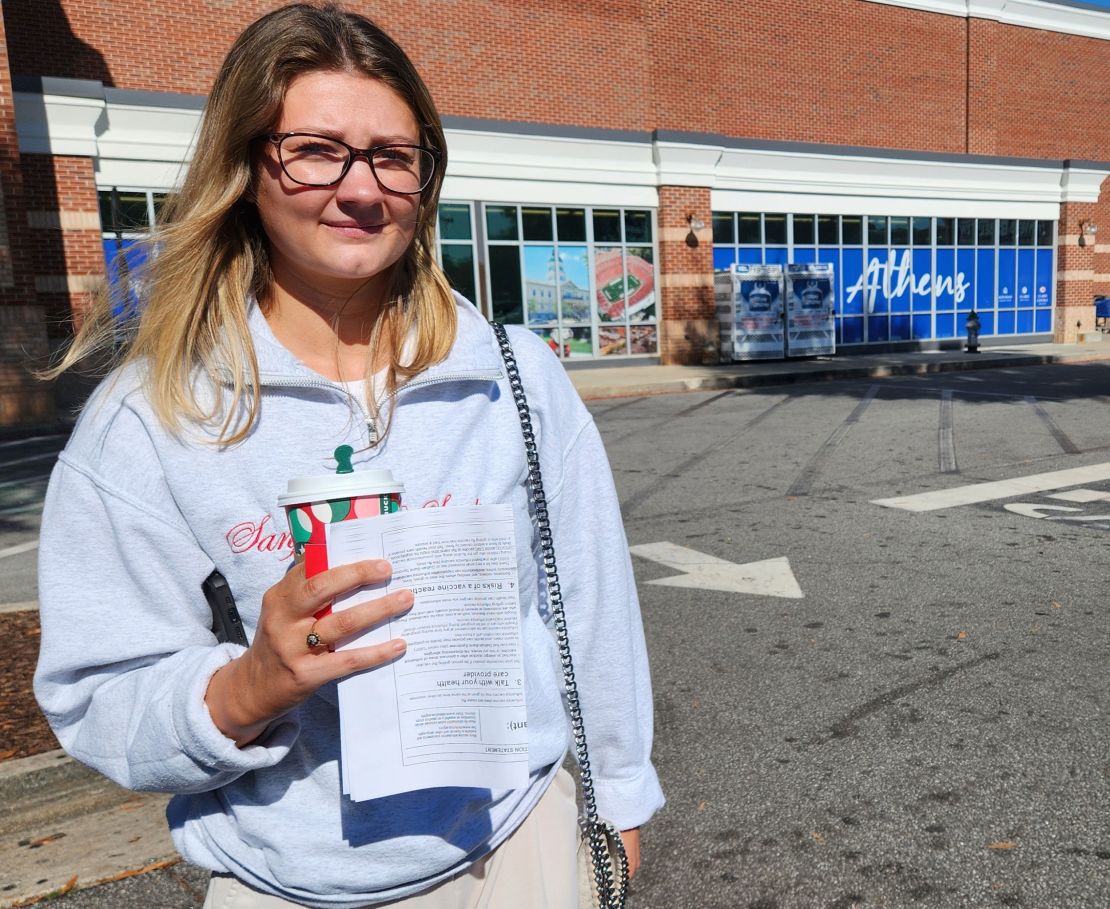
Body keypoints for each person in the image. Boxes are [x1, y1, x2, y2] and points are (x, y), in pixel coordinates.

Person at [33, 3, 664, 908]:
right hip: (285, 879)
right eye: (317, 149)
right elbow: (99, 693)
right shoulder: (150, 418)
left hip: (518, 846)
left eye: (393, 156)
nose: (361, 188)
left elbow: (591, 608)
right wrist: (252, 683)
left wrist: (616, 801)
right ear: (248, 165)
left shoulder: (511, 377)